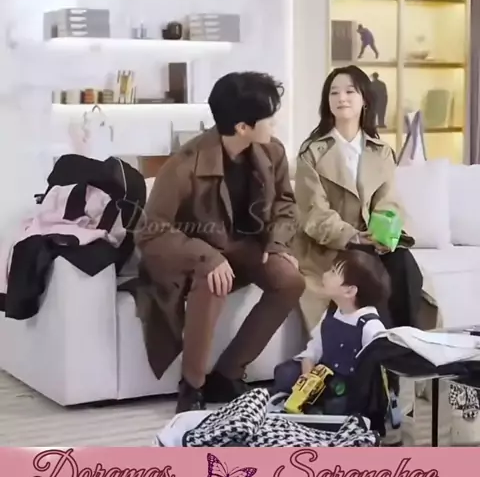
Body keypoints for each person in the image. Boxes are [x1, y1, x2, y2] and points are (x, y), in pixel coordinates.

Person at [135, 71, 305, 414]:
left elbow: (286, 204)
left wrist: (278, 244)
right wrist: (205, 256)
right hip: (194, 255)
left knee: (290, 281)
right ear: (242, 127)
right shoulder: (184, 164)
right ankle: (192, 385)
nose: (275, 123)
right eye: (269, 117)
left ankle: (229, 373)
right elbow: (151, 231)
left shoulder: (272, 151)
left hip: (246, 247)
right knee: (213, 280)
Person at [293, 65, 439, 336]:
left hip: (374, 241)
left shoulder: (380, 151)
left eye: (350, 91)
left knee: (404, 264)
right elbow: (314, 212)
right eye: (334, 93)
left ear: (365, 100)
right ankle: (380, 346)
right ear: (327, 102)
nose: (342, 98)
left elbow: (388, 200)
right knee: (368, 272)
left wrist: (382, 234)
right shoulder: (311, 153)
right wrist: (355, 237)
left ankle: (409, 342)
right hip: (331, 245)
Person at [273, 249, 389, 403]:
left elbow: (378, 373)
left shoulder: (370, 326)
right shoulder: (332, 313)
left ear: (349, 291)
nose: (325, 274)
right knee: (285, 374)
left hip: (346, 388)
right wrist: (307, 377)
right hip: (323, 376)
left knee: (338, 401)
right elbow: (314, 349)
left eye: (333, 272)